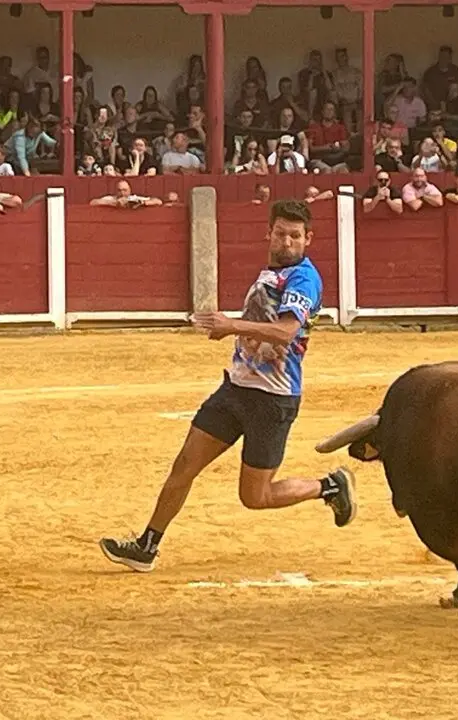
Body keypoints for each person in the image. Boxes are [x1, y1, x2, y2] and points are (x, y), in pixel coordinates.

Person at [99, 199, 357, 573]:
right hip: (235, 390)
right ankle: (146, 546)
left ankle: (328, 486)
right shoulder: (273, 273)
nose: (287, 242)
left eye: (295, 236)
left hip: (272, 400)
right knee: (184, 465)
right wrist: (233, 329)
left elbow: (286, 331)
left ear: (308, 238)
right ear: (268, 234)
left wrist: (231, 326)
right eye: (281, 234)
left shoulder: (303, 278)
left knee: (255, 496)